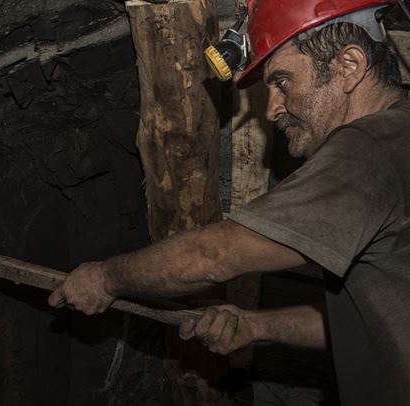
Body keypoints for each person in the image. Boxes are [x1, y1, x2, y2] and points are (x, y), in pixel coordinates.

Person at [48, 0, 410, 404]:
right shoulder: (398, 137)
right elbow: (365, 319)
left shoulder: (367, 149)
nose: (272, 109)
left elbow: (215, 255)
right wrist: (256, 326)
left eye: (283, 82)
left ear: (349, 66)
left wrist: (103, 280)